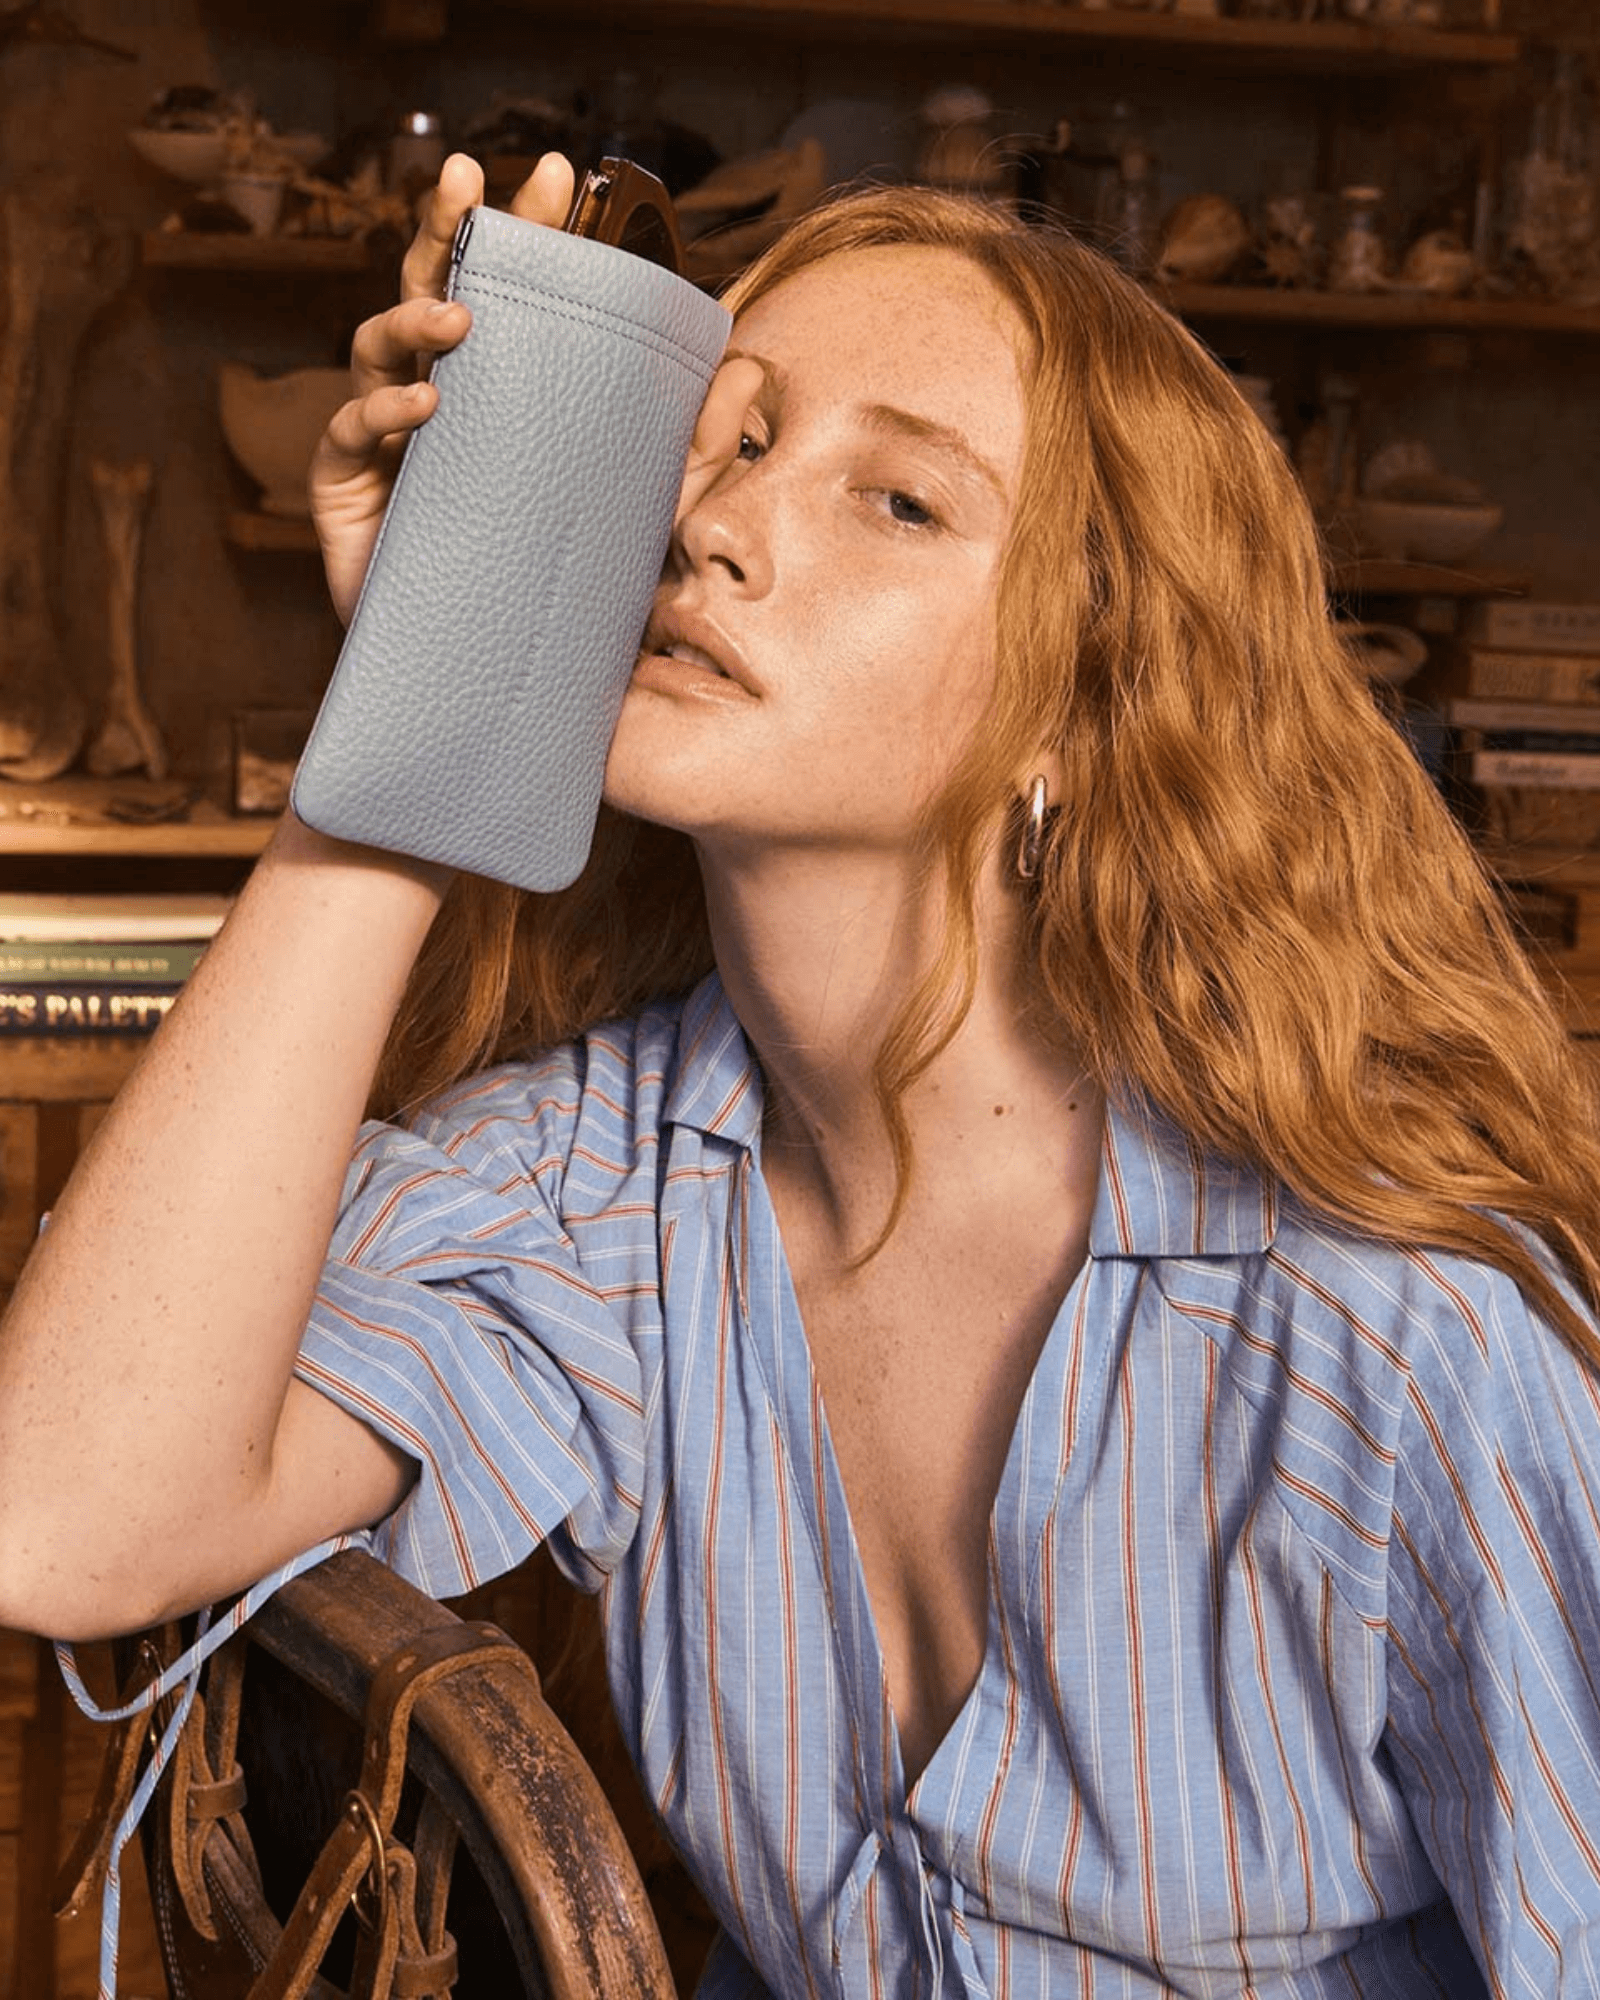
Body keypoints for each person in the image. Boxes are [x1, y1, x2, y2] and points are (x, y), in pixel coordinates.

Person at [3, 149, 1600, 1998]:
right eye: (730, 442)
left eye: (900, 499)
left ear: (1082, 708)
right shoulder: (607, 1192)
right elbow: (65, 1518)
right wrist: (428, 699)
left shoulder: (1392, 1342)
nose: (721, 528)